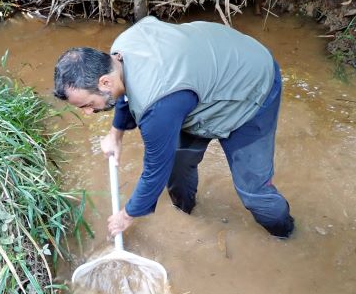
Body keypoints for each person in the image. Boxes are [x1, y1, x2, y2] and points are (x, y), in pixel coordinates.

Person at [53, 16, 294, 240]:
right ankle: (185, 213)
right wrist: (115, 135)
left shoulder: (158, 107)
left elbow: (154, 170)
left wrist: (127, 215)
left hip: (251, 84)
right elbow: (125, 93)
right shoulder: (119, 53)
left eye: (87, 104)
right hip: (200, 81)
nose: (87, 112)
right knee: (178, 170)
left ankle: (286, 235)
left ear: (105, 81)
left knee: (254, 194)